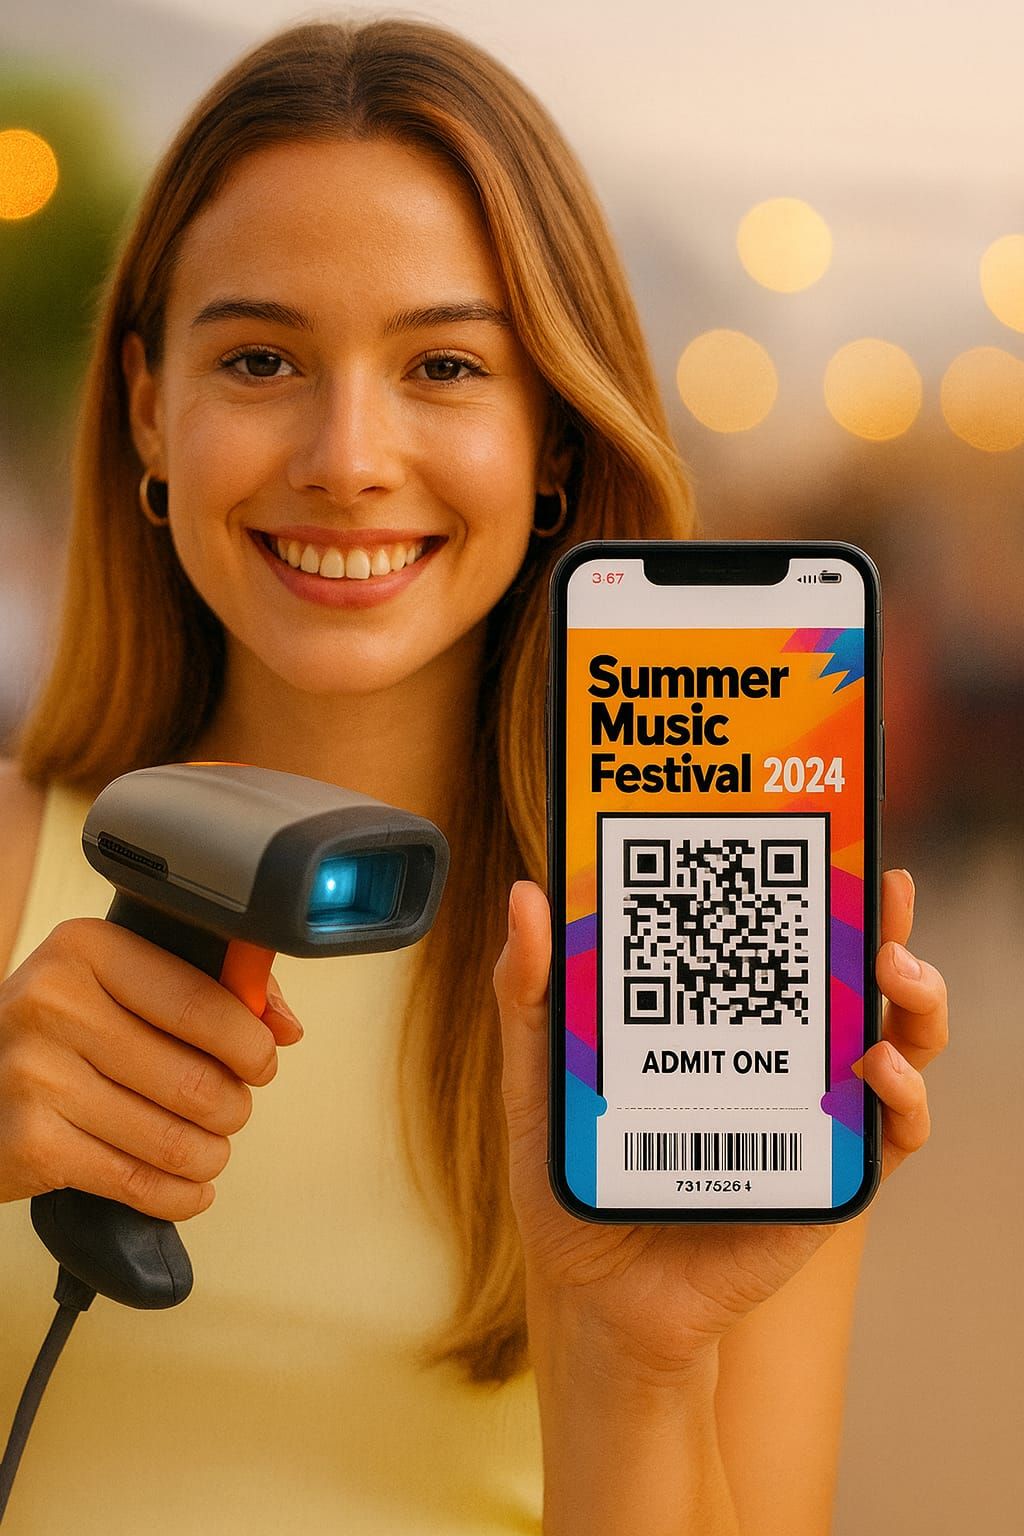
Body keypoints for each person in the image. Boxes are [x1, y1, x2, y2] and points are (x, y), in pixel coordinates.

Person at [0, 16, 948, 1534]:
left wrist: (629, 1355)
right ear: (145, 409)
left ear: (552, 439)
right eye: (260, 358)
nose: (350, 455)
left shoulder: (697, 994)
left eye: (444, 365)